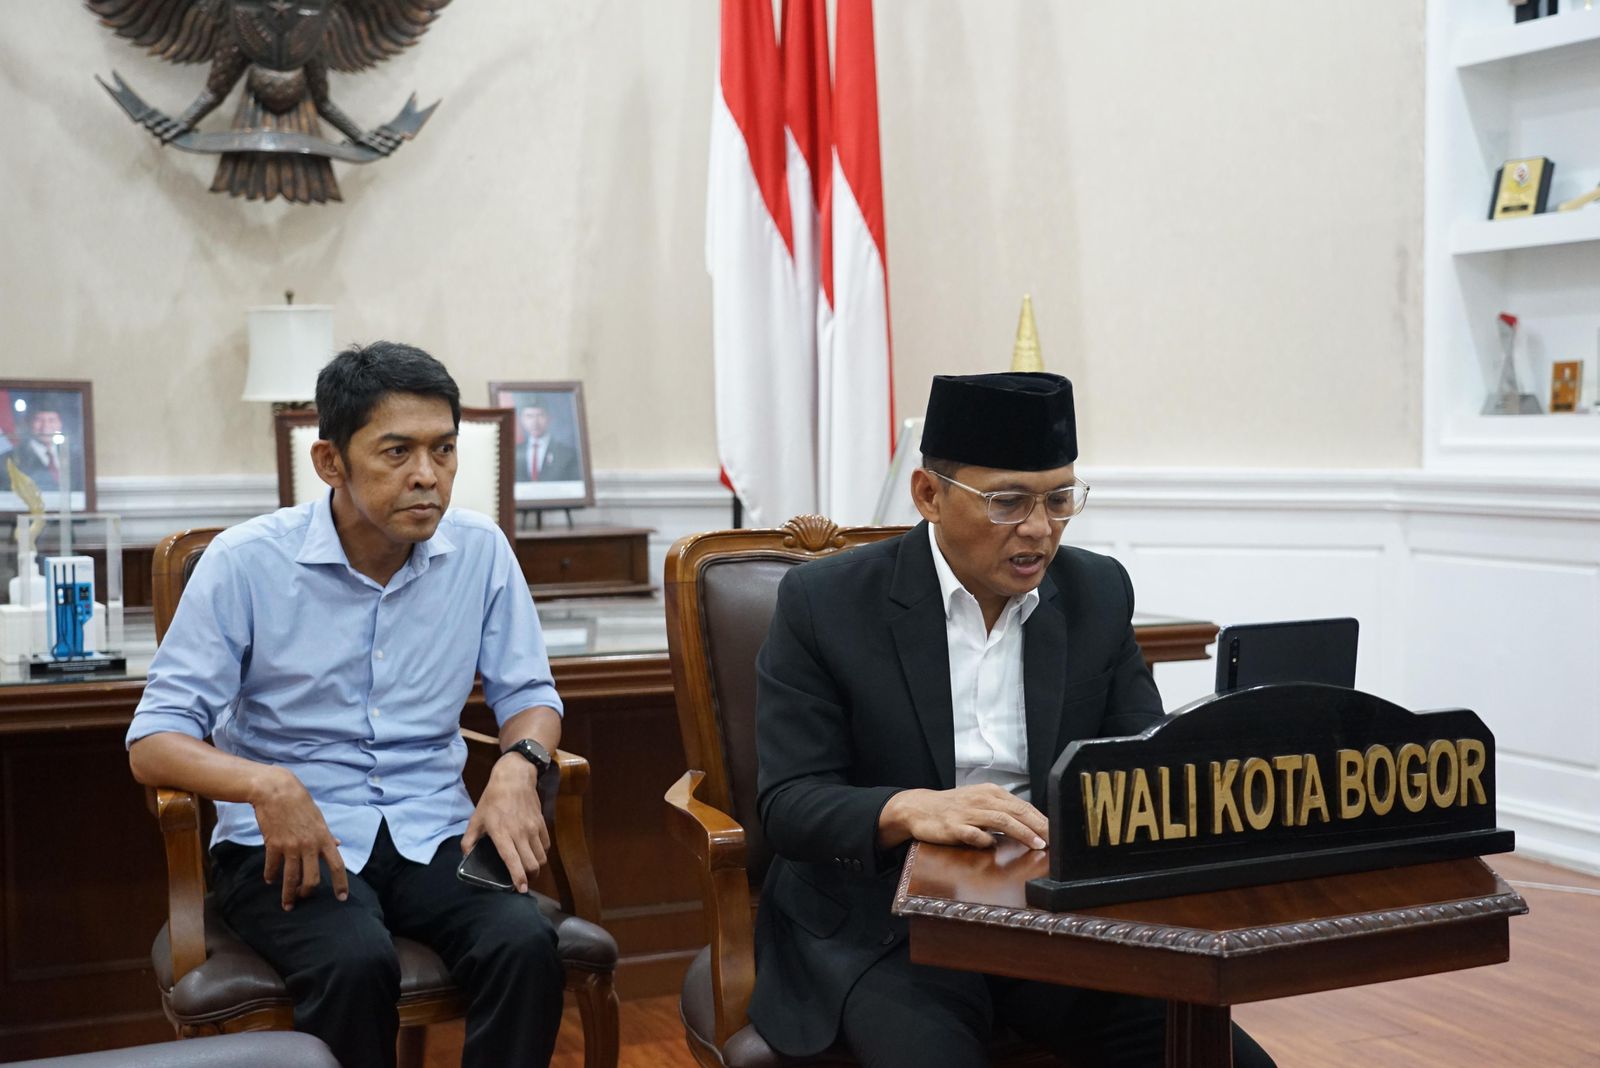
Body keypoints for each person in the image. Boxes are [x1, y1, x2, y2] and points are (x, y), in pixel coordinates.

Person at [749, 372, 1275, 1067]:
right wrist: (909, 809)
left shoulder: (1097, 592)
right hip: (889, 929)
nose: (1039, 529)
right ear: (928, 495)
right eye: (1007, 502)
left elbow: (1137, 763)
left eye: (1060, 499)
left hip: (1056, 922)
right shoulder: (826, 603)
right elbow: (789, 802)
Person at [126, 342, 566, 1068]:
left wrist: (519, 764)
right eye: (397, 451)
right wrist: (265, 783)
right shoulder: (246, 563)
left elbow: (530, 697)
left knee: (525, 945)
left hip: (432, 828)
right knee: (355, 962)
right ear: (330, 461)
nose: (427, 476)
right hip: (287, 842)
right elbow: (154, 740)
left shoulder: (481, 552)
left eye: (443, 450)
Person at [515, 404, 581, 482]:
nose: (535, 422)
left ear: (549, 418)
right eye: (529, 416)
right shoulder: (514, 452)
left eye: (540, 415)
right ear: (522, 420)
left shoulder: (566, 453)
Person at [13, 408, 66, 490]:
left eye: (51, 420)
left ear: (60, 423)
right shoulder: (12, 458)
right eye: (39, 420)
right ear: (28, 423)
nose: (45, 426)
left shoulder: (74, 456)